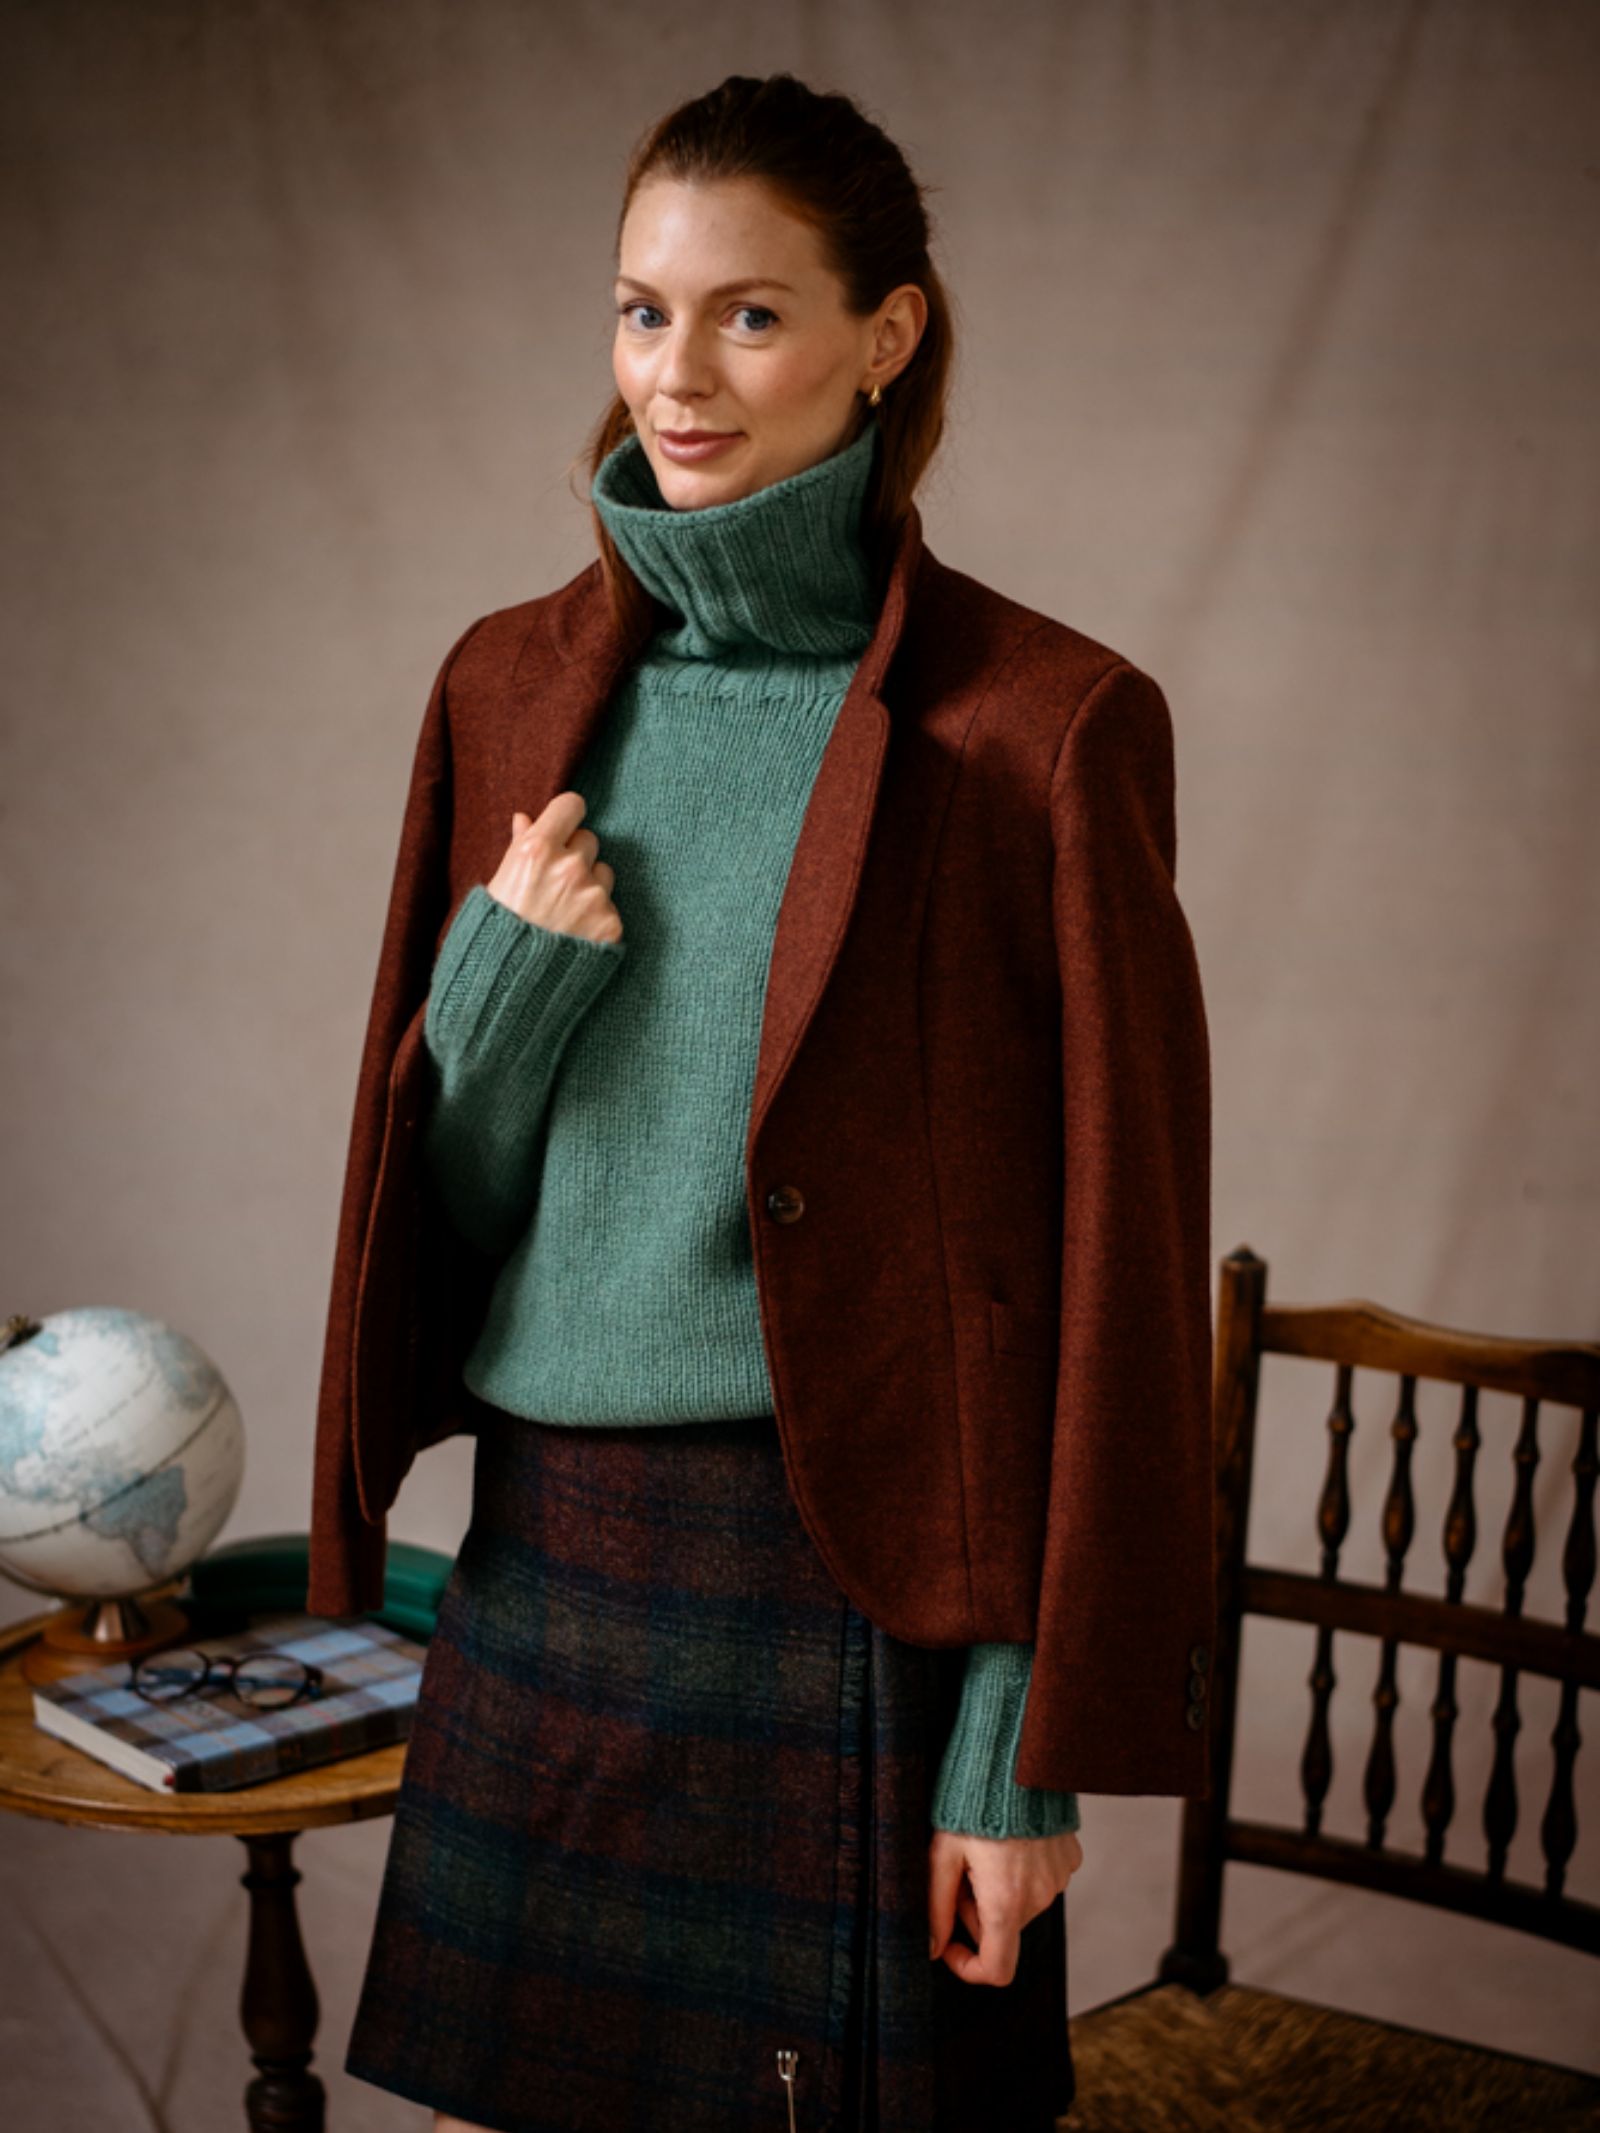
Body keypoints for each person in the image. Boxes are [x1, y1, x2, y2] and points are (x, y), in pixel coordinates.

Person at [319, 68, 1214, 2133]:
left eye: (747, 312)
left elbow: (1105, 1279)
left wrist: (1019, 1737)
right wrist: (503, 993)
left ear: (881, 335)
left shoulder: (1040, 734)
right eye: (641, 311)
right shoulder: (504, 688)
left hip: (850, 1597)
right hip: (552, 1567)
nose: (678, 374)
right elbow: (445, 1213)